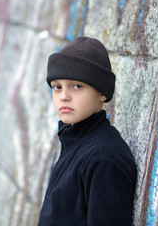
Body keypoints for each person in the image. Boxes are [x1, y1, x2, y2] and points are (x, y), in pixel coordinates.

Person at [38, 36, 137, 226]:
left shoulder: (103, 158)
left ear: (102, 93)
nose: (64, 96)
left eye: (77, 86)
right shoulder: (74, 141)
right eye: (57, 87)